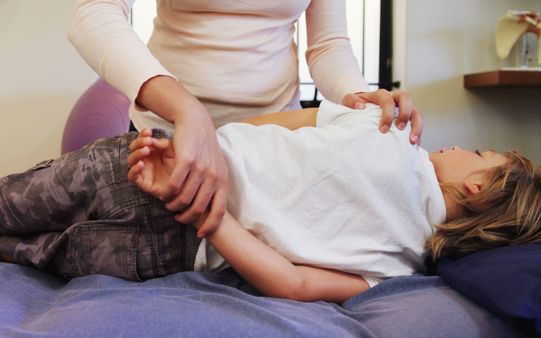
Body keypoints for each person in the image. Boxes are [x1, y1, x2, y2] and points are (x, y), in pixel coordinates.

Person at [0, 101, 541, 303]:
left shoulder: (387, 134)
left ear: (476, 187)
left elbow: (287, 122)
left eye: (478, 151)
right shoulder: (403, 267)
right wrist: (212, 218)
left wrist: (192, 136)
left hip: (149, 165)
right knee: (4, 250)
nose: (462, 147)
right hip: (175, 245)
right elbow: (290, 283)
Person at [68, 0, 424, 236]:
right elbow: (95, 13)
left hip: (273, 148)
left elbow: (328, 44)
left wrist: (356, 94)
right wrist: (187, 109)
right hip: (168, 138)